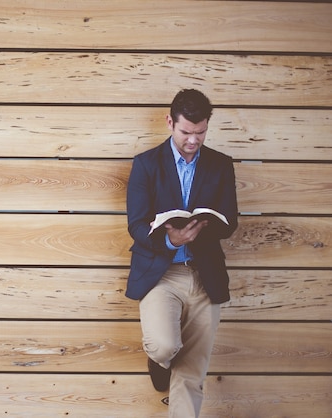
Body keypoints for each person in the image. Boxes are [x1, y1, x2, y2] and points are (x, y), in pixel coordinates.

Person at [125, 89, 239, 417]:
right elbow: (136, 224)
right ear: (170, 123)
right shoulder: (146, 164)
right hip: (162, 272)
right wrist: (171, 239)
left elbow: (229, 221)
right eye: (186, 132)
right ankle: (158, 363)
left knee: (192, 373)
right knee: (164, 345)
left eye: (200, 132)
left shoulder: (220, 164)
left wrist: (205, 226)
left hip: (205, 274)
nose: (193, 140)